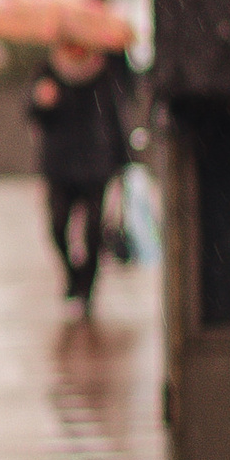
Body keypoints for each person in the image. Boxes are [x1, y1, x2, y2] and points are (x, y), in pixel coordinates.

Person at [30, 24, 134, 313]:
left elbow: (115, 113)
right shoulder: (48, 69)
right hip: (59, 162)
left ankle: (87, 287)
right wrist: (42, 101)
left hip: (95, 161)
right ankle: (72, 274)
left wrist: (122, 158)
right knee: (57, 226)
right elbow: (33, 111)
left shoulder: (105, 69)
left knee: (93, 230)